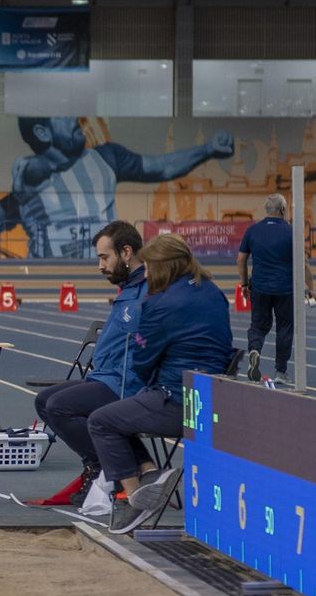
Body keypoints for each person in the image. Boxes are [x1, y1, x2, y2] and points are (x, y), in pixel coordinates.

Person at [88, 233, 232, 534]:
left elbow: (142, 361)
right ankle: (150, 473)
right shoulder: (213, 293)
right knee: (120, 413)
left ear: (164, 267)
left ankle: (134, 496)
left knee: (102, 419)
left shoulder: (160, 304)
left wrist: (145, 346)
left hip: (176, 401)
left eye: (150, 268)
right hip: (215, 399)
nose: (147, 275)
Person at [0, 117, 234, 258]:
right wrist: (14, 200)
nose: (75, 118)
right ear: (42, 132)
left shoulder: (106, 157)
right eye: (63, 116)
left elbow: (160, 166)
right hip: (52, 281)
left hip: (106, 276)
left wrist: (207, 149)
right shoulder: (29, 184)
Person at [28, 220, 148, 514]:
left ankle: (112, 469)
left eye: (104, 257)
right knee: (44, 401)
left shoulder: (146, 292)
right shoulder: (129, 289)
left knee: (59, 406)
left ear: (127, 252)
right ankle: (101, 464)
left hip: (126, 383)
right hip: (106, 377)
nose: (100, 265)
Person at [238, 193, 295, 384]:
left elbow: (241, 259)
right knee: (285, 327)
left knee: (258, 325)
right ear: (282, 210)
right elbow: (303, 263)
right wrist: (310, 287)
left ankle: (255, 349)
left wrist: (245, 284)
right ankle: (281, 371)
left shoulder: (253, 230)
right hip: (284, 288)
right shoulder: (290, 231)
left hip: (260, 287)